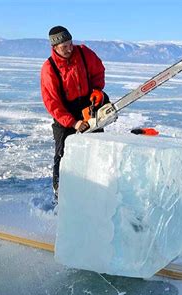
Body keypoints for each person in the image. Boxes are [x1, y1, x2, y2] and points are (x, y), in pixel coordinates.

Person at [40, 26, 109, 200]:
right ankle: (60, 192)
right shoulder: (49, 68)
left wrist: (97, 90)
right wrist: (73, 123)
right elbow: (52, 103)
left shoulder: (84, 53)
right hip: (65, 112)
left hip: (87, 104)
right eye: (64, 47)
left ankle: (99, 189)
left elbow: (98, 70)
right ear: (55, 47)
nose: (70, 48)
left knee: (97, 147)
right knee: (63, 153)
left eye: (70, 43)